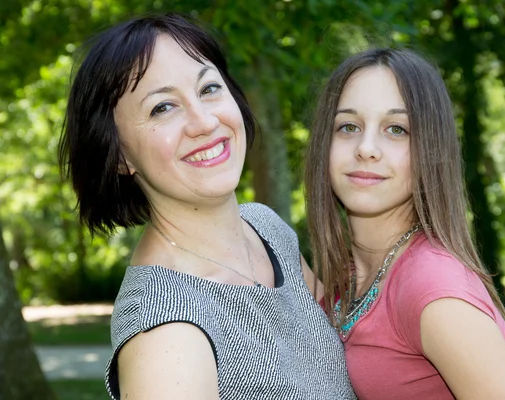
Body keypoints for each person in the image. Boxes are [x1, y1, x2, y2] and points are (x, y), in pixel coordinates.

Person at [58, 13, 355, 400]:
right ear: (118, 155)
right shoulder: (165, 335)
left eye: (209, 88)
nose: (203, 121)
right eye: (162, 108)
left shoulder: (265, 228)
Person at [304, 48, 505, 400]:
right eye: (349, 126)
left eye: (397, 129)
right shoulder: (350, 279)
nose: (366, 148)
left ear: (429, 149)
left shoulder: (433, 287)